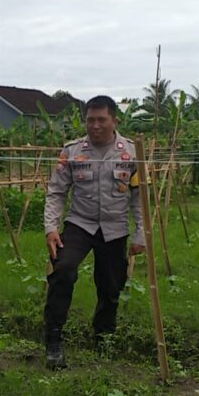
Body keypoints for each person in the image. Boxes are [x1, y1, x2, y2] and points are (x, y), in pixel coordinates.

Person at [42, 95, 145, 370]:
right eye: (90, 120)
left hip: (115, 227)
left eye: (101, 120)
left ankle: (103, 336)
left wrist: (141, 234)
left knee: (111, 285)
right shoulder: (72, 152)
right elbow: (56, 192)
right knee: (63, 270)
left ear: (114, 121)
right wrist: (51, 228)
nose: (95, 126)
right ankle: (53, 339)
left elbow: (140, 197)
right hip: (80, 223)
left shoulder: (131, 153)